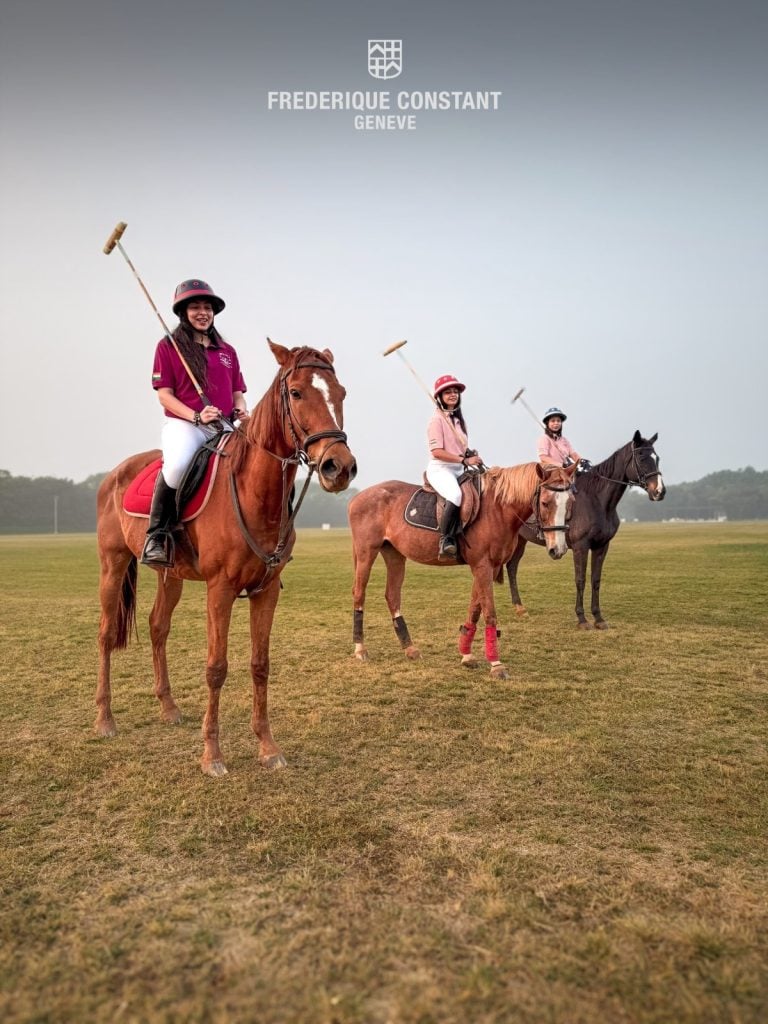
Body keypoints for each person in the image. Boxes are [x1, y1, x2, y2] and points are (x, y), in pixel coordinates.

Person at [141, 279, 248, 567]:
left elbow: (237, 392)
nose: (203, 312)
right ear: (183, 313)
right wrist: (197, 416)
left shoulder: (227, 351)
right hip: (185, 424)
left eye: (207, 307)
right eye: (195, 307)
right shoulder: (169, 347)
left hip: (223, 426)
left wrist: (240, 411)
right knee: (176, 466)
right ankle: (157, 536)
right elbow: (164, 396)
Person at [426, 375, 484, 560]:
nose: (453, 395)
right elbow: (437, 451)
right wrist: (464, 461)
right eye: (448, 392)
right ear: (439, 396)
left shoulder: (458, 421)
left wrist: (469, 454)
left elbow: (460, 448)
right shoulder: (436, 420)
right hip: (441, 468)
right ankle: (446, 539)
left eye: (455, 392)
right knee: (455, 495)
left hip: (458, 468)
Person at [537, 407, 589, 471]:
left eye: (558, 421)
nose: (556, 423)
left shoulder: (564, 440)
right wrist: (562, 465)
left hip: (565, 471)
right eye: (553, 421)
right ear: (547, 423)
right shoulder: (544, 438)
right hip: (551, 471)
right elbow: (543, 457)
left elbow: (573, 454)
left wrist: (581, 462)